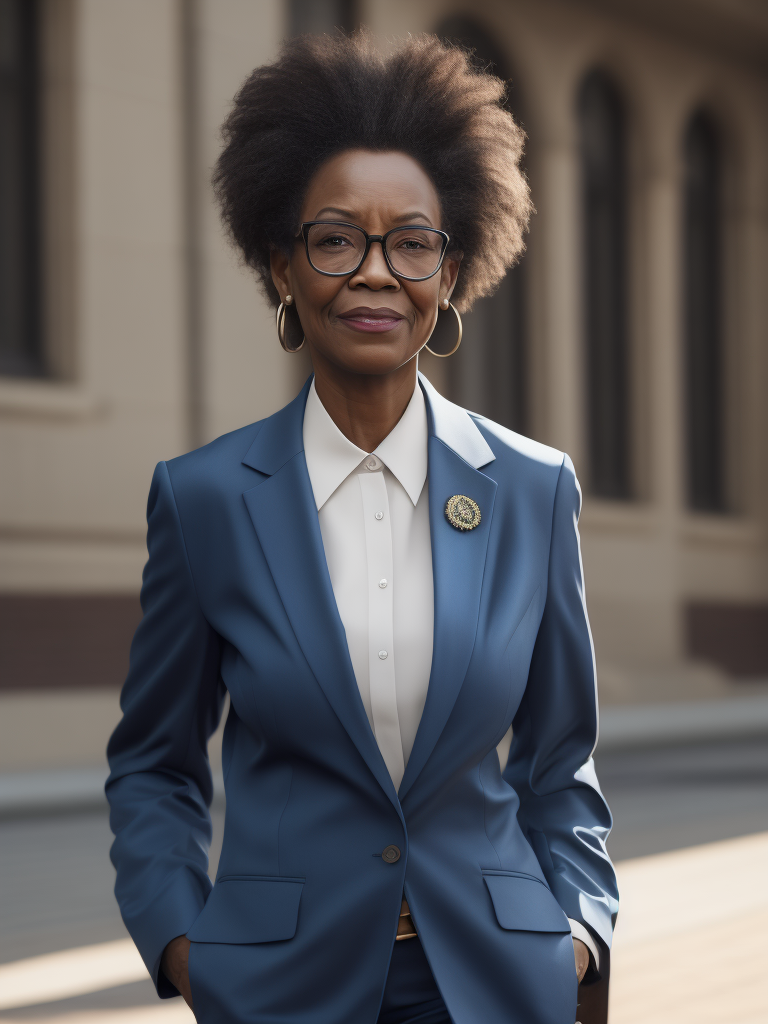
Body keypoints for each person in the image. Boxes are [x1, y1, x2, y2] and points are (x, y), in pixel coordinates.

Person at [106, 31, 618, 1024]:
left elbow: (560, 761)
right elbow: (155, 764)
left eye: (411, 241)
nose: (376, 272)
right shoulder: (205, 498)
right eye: (337, 237)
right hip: (282, 991)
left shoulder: (534, 489)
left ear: (451, 267)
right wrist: (184, 944)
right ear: (283, 266)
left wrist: (581, 938)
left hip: (498, 984)